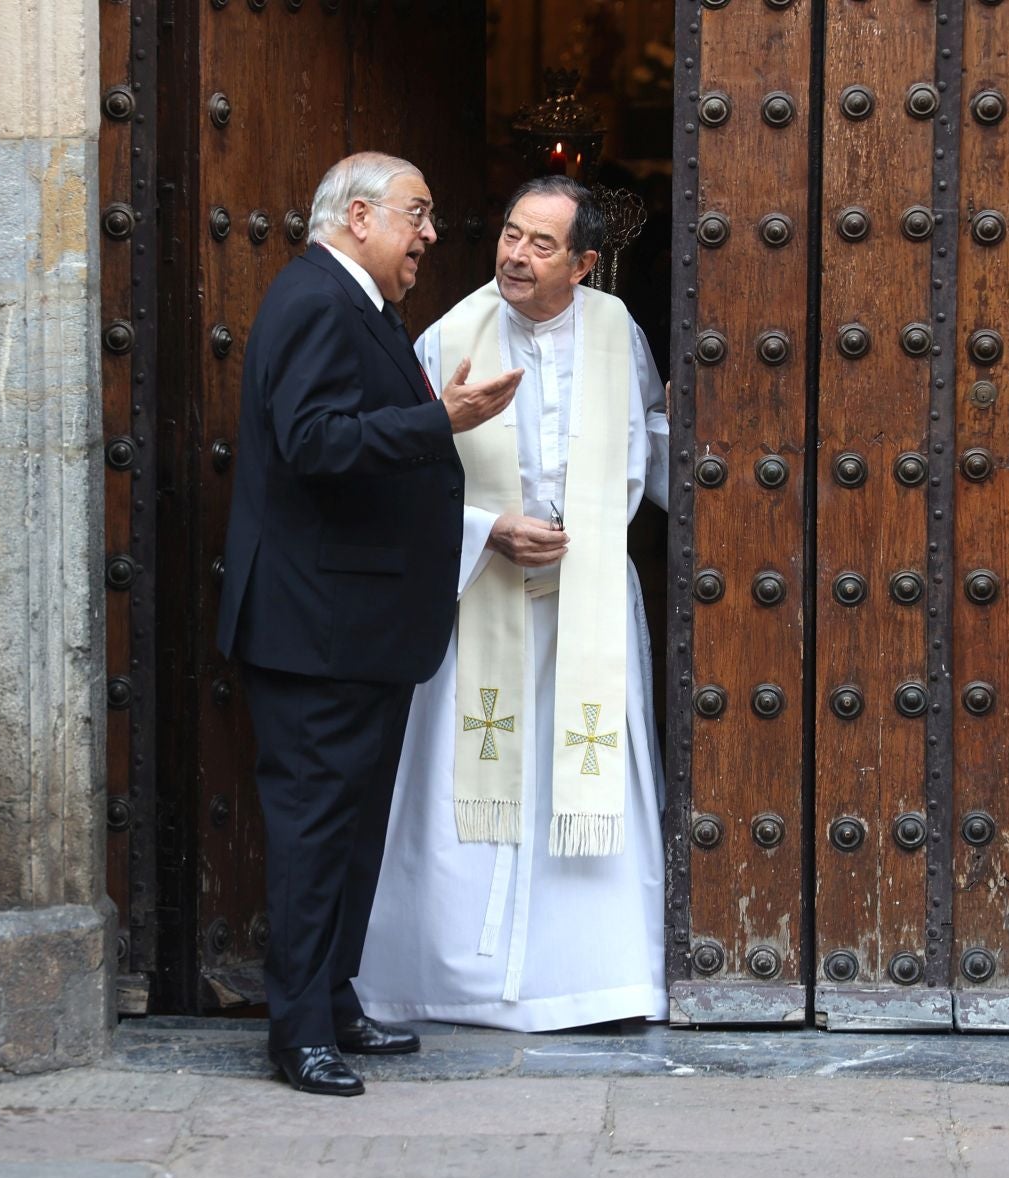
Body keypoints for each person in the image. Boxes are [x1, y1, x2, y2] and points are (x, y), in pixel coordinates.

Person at [215, 152, 523, 1095]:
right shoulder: (315, 299)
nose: (431, 234)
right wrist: (443, 421)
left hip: (359, 624)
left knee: (351, 829)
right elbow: (312, 441)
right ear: (358, 217)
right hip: (318, 626)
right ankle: (296, 1030)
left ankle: (334, 998)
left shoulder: (358, 302)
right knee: (315, 830)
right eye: (416, 215)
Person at [356, 175, 670, 1032]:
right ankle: (448, 979)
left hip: (589, 606)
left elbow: (657, 439)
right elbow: (404, 474)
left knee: (587, 769)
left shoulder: (617, 332)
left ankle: (595, 979)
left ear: (585, 264)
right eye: (508, 234)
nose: (515, 255)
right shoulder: (451, 335)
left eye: (540, 244)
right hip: (481, 599)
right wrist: (487, 528)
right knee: (464, 786)